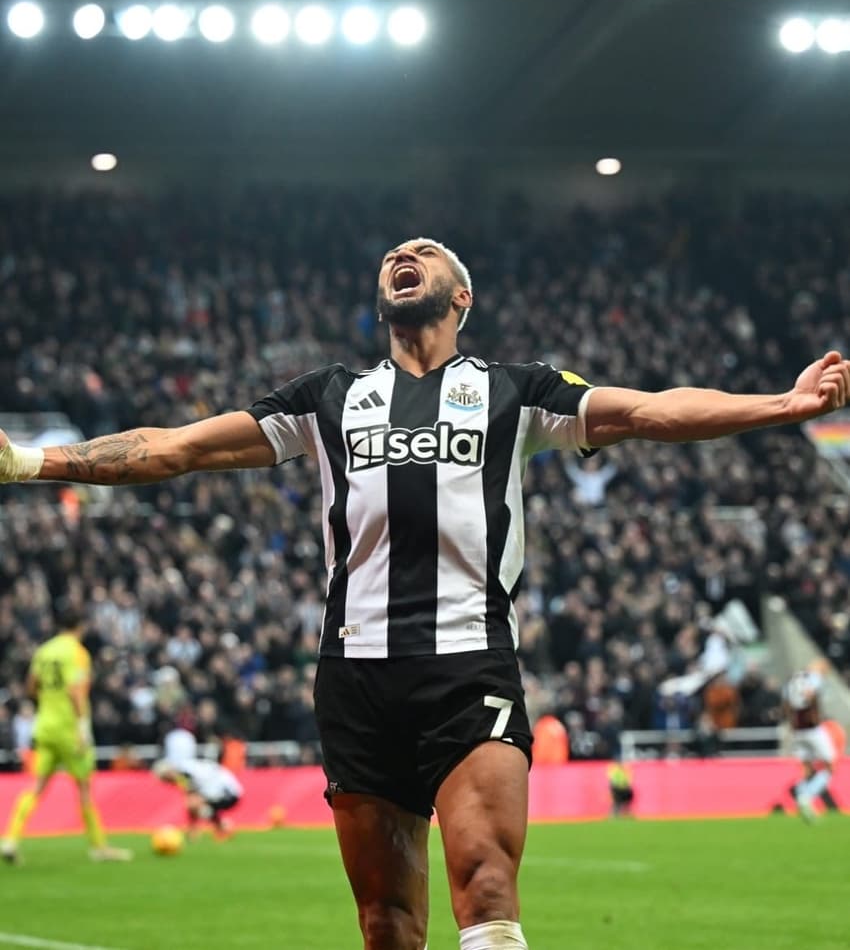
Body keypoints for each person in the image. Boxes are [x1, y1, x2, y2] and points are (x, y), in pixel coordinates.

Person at [0, 237, 847, 949]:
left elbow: (654, 411)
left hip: (466, 663)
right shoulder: (327, 397)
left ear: (462, 296)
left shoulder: (518, 391)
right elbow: (175, 447)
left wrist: (784, 404)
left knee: (484, 887)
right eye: (394, 255)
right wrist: (31, 461)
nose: (405, 253)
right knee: (388, 923)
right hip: (356, 676)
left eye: (427, 252)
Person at [1, 602, 132, 864]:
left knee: (36, 786)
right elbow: (75, 690)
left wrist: (49, 701)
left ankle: (10, 839)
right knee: (84, 787)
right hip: (70, 729)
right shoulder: (78, 653)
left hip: (45, 726)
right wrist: (82, 726)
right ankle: (99, 846)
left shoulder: (44, 651)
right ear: (80, 626)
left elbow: (31, 686)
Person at [783, 660, 839, 823]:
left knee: (807, 770)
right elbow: (811, 692)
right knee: (830, 766)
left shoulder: (790, 683)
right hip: (813, 730)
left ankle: (802, 798)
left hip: (797, 731)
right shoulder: (813, 679)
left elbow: (786, 705)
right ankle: (806, 796)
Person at [152, 756, 243, 839]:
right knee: (203, 808)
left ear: (168, 773)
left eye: (165, 779)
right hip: (227, 788)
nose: (167, 783)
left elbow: (191, 800)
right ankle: (223, 827)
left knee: (195, 805)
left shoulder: (183, 774)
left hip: (227, 791)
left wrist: (192, 827)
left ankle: (221, 827)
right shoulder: (184, 767)